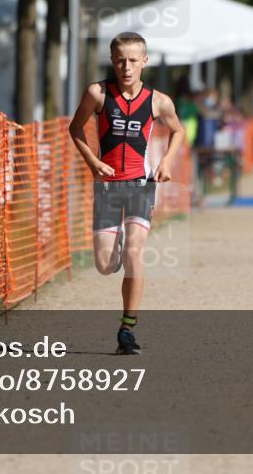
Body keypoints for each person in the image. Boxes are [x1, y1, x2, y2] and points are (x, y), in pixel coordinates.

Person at [68, 32, 186, 355]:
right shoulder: (97, 94)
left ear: (144, 61)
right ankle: (115, 242)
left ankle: (127, 329)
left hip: (139, 185)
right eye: (121, 60)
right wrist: (93, 162)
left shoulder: (159, 101)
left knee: (135, 253)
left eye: (134, 60)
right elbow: (74, 128)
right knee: (106, 265)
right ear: (112, 60)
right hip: (107, 186)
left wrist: (166, 160)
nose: (127, 67)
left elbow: (178, 130)